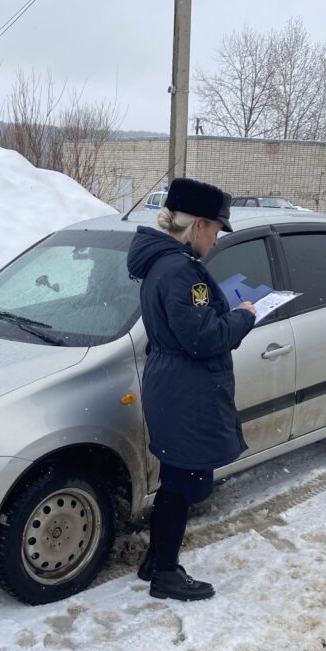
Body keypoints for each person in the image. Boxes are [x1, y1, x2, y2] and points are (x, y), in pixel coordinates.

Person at [126, 177, 257, 601]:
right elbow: (202, 338)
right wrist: (244, 315)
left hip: (173, 383)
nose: (216, 241)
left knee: (175, 479)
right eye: (216, 230)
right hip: (187, 390)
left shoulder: (161, 264)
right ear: (198, 225)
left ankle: (155, 561)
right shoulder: (182, 271)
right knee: (184, 484)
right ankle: (166, 574)